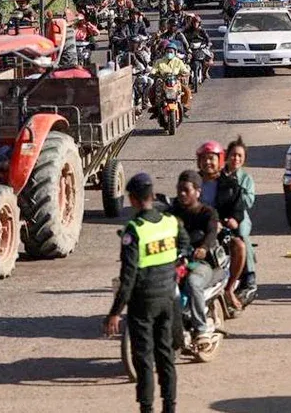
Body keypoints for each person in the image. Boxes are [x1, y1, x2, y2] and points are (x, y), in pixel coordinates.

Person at [102, 173, 188, 413]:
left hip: (144, 302)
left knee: (143, 359)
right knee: (166, 356)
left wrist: (114, 313)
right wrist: (174, 266)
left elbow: (127, 277)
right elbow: (184, 244)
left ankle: (147, 409)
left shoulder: (134, 230)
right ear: (151, 196)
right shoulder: (170, 221)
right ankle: (169, 407)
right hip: (168, 298)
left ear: (133, 199)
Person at [169, 170, 224, 343]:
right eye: (179, 190)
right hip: (176, 261)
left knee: (193, 283)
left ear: (198, 192)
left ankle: (201, 329)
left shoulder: (208, 213)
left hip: (200, 265)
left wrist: (204, 247)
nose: (182, 193)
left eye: (186, 190)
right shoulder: (172, 212)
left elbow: (212, 232)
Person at [195, 141, 247, 310]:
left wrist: (232, 220)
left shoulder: (231, 185)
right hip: (195, 231)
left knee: (239, 246)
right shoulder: (191, 183)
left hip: (221, 232)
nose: (207, 162)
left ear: (220, 160)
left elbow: (238, 210)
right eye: (204, 159)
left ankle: (229, 288)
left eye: (211, 158)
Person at [223, 138, 257, 292]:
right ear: (226, 156)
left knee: (242, 235)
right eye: (233, 155)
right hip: (219, 214)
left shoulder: (246, 179)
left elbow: (248, 202)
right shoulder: (218, 175)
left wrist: (235, 193)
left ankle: (249, 275)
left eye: (239, 156)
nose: (236, 158)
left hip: (239, 216)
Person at [150, 41, 192, 117]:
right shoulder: (159, 61)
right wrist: (152, 73)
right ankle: (155, 106)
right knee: (152, 90)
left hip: (175, 80)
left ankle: (185, 106)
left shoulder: (178, 61)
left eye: (171, 51)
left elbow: (184, 70)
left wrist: (185, 73)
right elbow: (154, 69)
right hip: (163, 80)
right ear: (164, 52)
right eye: (168, 51)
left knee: (186, 90)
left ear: (175, 52)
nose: (169, 53)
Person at [181, 15, 213, 81]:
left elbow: (207, 39)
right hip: (190, 48)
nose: (196, 24)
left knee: (210, 56)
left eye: (197, 22)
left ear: (199, 23)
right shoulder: (187, 30)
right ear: (192, 23)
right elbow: (182, 37)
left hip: (200, 48)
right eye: (194, 22)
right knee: (183, 59)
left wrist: (208, 43)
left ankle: (205, 72)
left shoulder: (202, 31)